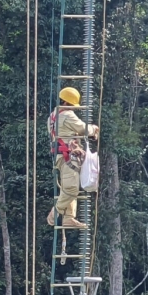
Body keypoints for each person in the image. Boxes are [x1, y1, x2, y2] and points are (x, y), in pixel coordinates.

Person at [47, 87, 98, 229]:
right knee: (71, 188)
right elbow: (83, 129)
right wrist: (94, 129)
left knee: (69, 187)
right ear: (68, 103)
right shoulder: (67, 115)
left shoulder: (52, 116)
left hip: (60, 156)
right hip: (67, 156)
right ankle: (55, 212)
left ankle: (69, 217)